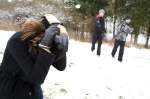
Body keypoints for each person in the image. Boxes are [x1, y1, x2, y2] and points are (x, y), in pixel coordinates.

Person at [0, 14, 68, 99]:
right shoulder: (17, 40)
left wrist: (61, 49)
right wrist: (44, 46)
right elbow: (36, 77)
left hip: (32, 88)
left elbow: (61, 66)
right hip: (11, 87)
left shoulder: (45, 39)